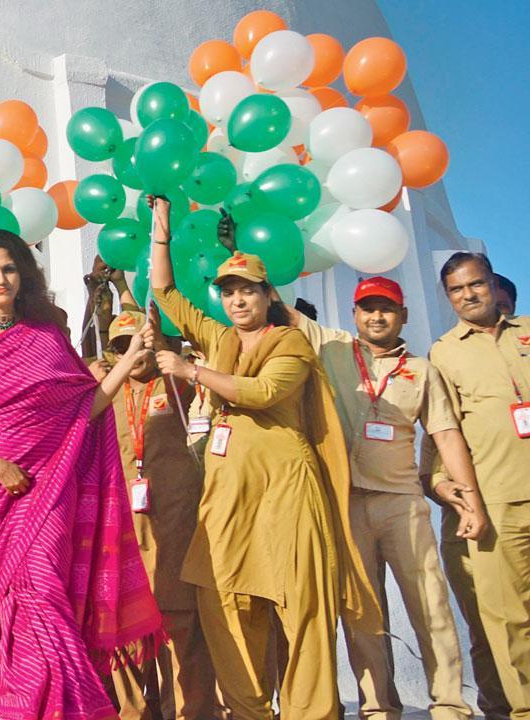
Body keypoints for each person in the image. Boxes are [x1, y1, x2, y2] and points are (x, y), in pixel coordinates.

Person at [146, 196, 380, 720]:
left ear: (267, 294)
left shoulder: (290, 343)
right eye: (228, 292)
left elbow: (261, 392)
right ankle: (249, 710)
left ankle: (311, 711)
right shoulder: (220, 336)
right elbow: (164, 291)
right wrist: (160, 228)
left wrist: (192, 373)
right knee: (223, 601)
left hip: (287, 493)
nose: (236, 301)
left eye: (246, 290)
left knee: (303, 609)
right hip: (229, 496)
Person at [0, 229, 164, 720]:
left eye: (9, 269)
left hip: (48, 485)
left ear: (23, 276)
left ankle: (60, 708)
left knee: (44, 592)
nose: (0, 279)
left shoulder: (46, 337)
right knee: (7, 606)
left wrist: (130, 359)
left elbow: (84, 409)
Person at [284, 276, 485, 720]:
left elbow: (446, 435)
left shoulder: (422, 370)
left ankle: (450, 705)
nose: (377, 316)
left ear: (404, 316)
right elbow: (278, 305)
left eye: (387, 308)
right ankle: (378, 708)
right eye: (368, 308)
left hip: (401, 502)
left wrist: (470, 500)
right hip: (345, 501)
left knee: (430, 605)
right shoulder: (332, 347)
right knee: (361, 614)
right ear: (354, 314)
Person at [100, 308, 222, 720]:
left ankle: (190, 712)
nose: (131, 353)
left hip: (174, 521)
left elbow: (201, 347)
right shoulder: (105, 389)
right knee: (126, 627)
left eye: (137, 342)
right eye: (120, 347)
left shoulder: (175, 381)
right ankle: (134, 713)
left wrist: (166, 340)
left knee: (180, 621)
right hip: (124, 528)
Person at [427, 252, 530, 717]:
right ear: (447, 297)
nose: (468, 295)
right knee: (509, 620)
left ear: (492, 284)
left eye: (476, 285)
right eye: (456, 289)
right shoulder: (444, 352)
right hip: (496, 500)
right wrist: (445, 488)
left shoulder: (526, 330)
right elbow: (442, 432)